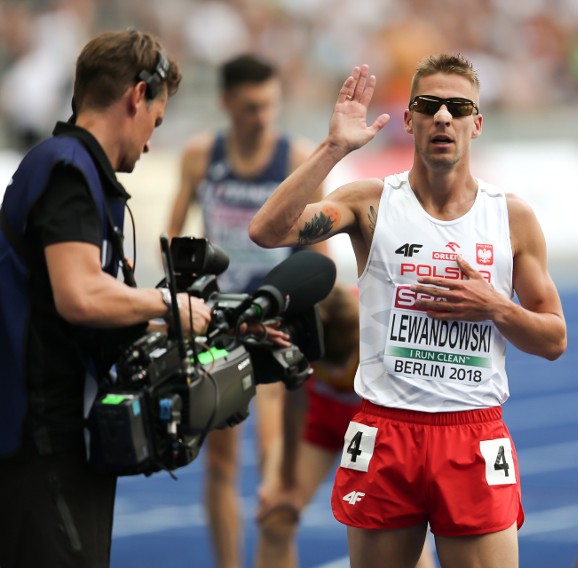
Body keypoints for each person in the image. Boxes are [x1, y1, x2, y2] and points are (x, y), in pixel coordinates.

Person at [249, 55, 567, 568]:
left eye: (458, 106)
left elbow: (554, 339)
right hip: (387, 432)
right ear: (409, 120)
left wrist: (495, 306)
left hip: (472, 433)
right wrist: (332, 149)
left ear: (476, 123)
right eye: (428, 105)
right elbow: (267, 231)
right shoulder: (370, 203)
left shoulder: (511, 218)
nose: (443, 116)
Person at [0, 29, 211, 568]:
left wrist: (194, 323)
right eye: (155, 123)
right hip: (41, 439)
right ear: (136, 96)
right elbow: (79, 295)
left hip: (54, 435)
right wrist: (168, 309)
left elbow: (86, 301)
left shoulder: (75, 168)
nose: (150, 142)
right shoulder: (69, 169)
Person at [166, 53, 324, 568]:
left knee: (276, 470)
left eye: (271, 105)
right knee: (220, 463)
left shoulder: (296, 157)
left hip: (273, 327)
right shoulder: (200, 156)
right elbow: (174, 239)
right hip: (220, 325)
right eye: (252, 107)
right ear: (227, 102)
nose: (262, 117)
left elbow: (319, 259)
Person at [252, 284, 436, 568]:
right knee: (275, 514)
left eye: (342, 367)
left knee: (397, 529)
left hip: (377, 424)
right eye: (328, 369)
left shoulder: (384, 327)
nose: (336, 375)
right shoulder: (300, 332)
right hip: (319, 419)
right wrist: (285, 479)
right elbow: (294, 403)